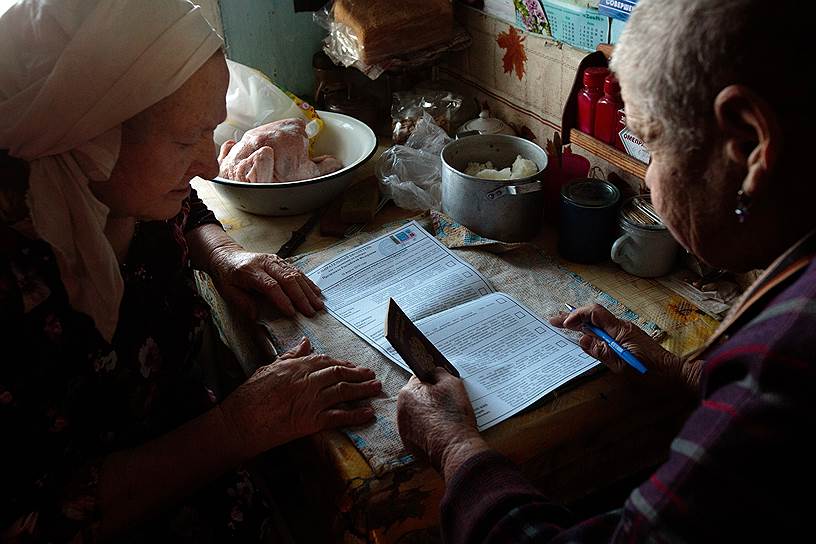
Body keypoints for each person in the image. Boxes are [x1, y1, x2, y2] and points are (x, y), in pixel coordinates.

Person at [397, 0, 816, 541]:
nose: (652, 186)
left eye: (652, 146)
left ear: (749, 142)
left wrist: (454, 447)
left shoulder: (784, 363)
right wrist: (686, 372)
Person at [0, 1, 381, 541]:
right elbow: (35, 519)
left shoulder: (114, 186)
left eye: (210, 131)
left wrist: (225, 253)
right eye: (186, 141)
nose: (207, 164)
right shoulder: (15, 291)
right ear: (88, 138)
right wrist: (236, 428)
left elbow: (187, 207)